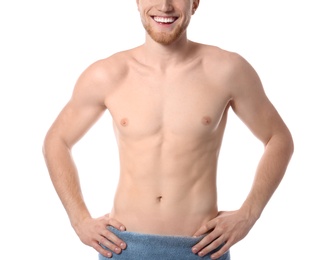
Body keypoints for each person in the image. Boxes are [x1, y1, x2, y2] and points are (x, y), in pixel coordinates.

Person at [42, 0, 294, 259]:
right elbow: (57, 140)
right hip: (124, 246)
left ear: (194, 2)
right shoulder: (107, 74)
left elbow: (278, 138)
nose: (164, 6)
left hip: (202, 248)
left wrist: (249, 214)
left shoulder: (227, 70)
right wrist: (79, 220)